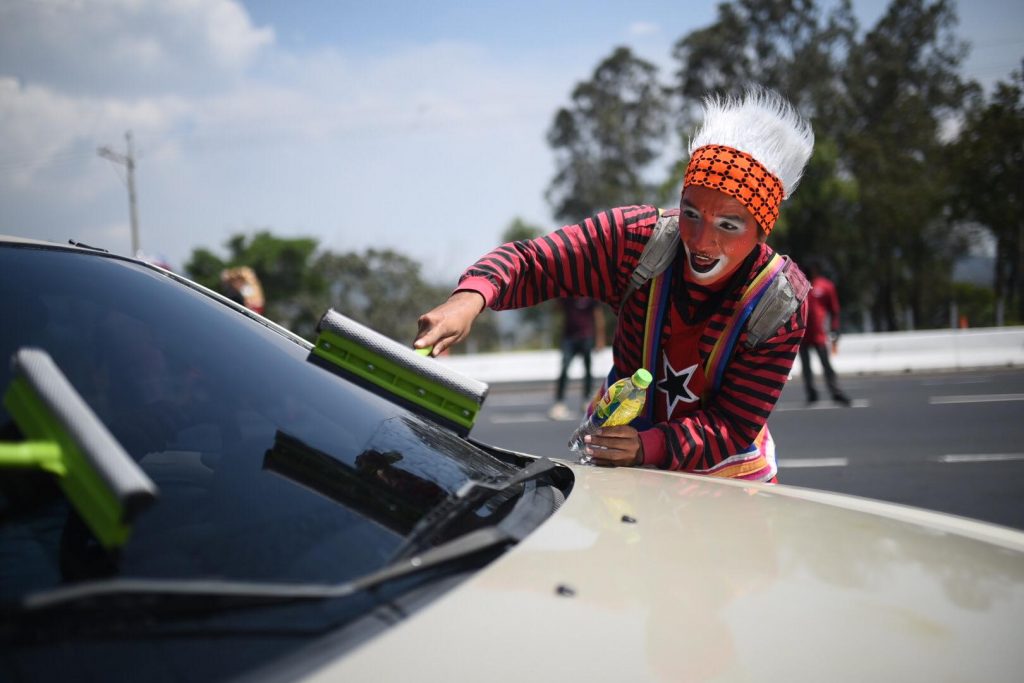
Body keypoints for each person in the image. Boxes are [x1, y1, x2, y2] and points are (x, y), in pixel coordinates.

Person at [415, 87, 813, 482]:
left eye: (728, 225)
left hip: (725, 478)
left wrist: (647, 446)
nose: (702, 240)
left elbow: (733, 425)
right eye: (691, 214)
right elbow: (534, 261)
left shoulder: (779, 304)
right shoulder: (637, 240)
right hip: (618, 447)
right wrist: (469, 299)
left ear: (762, 232)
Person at [799, 258, 851, 406]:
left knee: (826, 364)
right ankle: (811, 393)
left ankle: (835, 391)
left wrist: (835, 328)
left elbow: (834, 310)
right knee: (806, 366)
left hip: (819, 334)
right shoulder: (800, 285)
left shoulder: (826, 286)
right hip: (802, 334)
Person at [548, 297, 605, 420]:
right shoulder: (566, 295)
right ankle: (559, 403)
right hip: (569, 338)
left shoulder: (591, 295)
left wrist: (600, 338)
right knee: (564, 369)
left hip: (587, 337)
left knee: (588, 370)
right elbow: (556, 308)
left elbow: (598, 316)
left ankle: (586, 399)